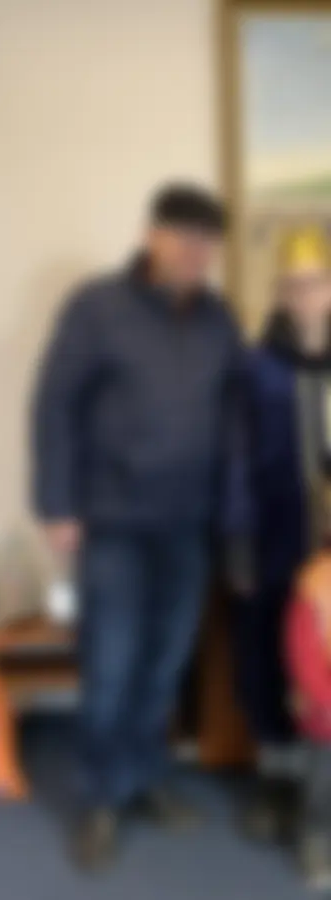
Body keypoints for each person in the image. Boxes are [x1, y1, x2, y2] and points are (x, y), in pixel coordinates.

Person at [31, 184, 242, 870]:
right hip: (114, 523)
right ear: (154, 238)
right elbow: (56, 406)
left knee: (164, 665)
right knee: (114, 664)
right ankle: (100, 800)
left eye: (206, 245)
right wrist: (58, 505)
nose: (195, 255)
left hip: (190, 526)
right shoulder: (100, 309)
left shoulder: (216, 320)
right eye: (184, 240)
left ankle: (143, 780)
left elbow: (235, 419)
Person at [232, 224, 331, 845]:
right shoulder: (259, 365)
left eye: (314, 283)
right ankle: (278, 780)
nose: (303, 296)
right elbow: (235, 459)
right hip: (272, 539)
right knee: (267, 656)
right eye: (291, 286)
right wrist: (237, 542)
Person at [284, 546, 331, 890]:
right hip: (324, 710)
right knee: (323, 785)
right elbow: (302, 653)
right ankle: (316, 839)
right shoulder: (316, 582)